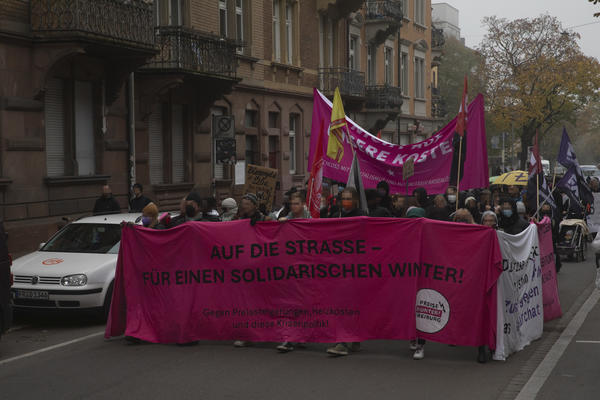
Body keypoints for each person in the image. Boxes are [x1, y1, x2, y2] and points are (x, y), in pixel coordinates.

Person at [326, 187, 365, 357]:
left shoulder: (362, 217)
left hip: (356, 268)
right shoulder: (336, 216)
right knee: (341, 305)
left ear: (355, 200)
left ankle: (349, 339)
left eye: (349, 198)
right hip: (338, 267)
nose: (346, 201)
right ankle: (343, 340)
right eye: (344, 198)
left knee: (352, 305)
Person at [276, 193, 310, 353]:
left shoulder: (311, 221)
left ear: (303, 204)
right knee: (290, 303)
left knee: (305, 304)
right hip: (290, 269)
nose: (293, 206)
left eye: (296, 203)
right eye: (291, 204)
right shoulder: (285, 220)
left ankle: (302, 335)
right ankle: (289, 337)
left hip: (307, 269)